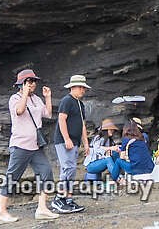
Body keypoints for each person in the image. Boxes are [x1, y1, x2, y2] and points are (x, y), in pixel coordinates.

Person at [0, 67, 59, 224]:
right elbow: (19, 110)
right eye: (29, 82)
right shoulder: (14, 99)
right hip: (20, 145)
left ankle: (42, 209)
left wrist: (48, 97)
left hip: (35, 146)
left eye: (34, 81)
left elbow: (48, 114)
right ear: (21, 84)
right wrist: (24, 93)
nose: (32, 84)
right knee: (12, 177)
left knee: (46, 172)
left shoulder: (37, 99)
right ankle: (2, 213)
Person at [52, 74, 90, 214]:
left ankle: (68, 199)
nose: (83, 90)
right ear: (73, 87)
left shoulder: (80, 104)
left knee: (72, 169)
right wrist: (66, 138)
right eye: (81, 87)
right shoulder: (66, 100)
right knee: (67, 167)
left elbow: (83, 125)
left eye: (84, 87)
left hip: (75, 141)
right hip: (64, 141)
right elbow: (62, 119)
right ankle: (58, 199)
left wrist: (86, 144)